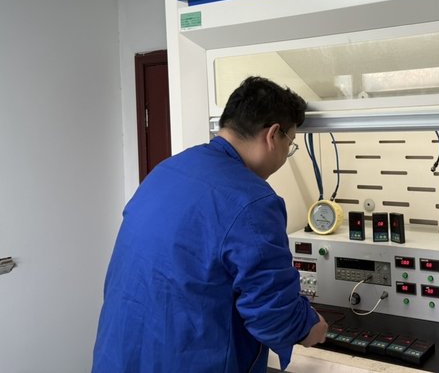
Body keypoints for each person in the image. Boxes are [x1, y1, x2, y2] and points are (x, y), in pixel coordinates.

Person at [92, 76, 328, 372]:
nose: (285, 155)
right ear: (272, 135)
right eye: (290, 144)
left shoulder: (166, 171)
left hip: (119, 357)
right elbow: (273, 316)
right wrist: (310, 327)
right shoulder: (253, 201)